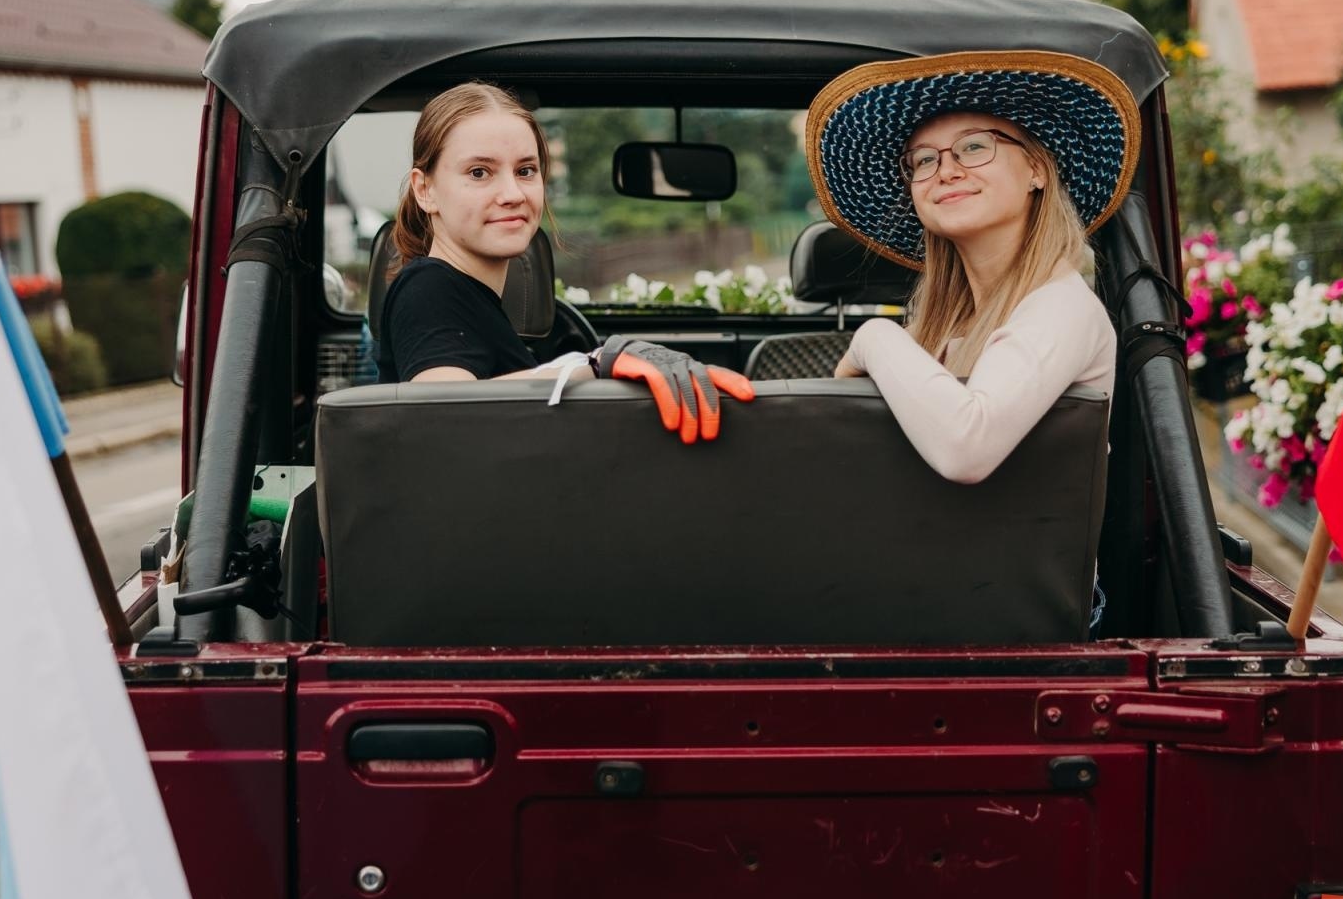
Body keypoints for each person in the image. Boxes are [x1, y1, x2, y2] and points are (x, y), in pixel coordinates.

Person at [805, 51, 1141, 634]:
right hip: (939, 595)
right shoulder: (939, 331)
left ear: (1037, 169)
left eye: (975, 147)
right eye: (924, 160)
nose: (947, 170)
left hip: (1027, 630)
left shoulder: (1061, 305)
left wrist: (873, 336)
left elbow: (966, 444)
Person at [377, 81, 754, 443]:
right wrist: (592, 364)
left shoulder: (471, 301)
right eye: (479, 173)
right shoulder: (428, 288)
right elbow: (438, 414)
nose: (512, 193)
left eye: (525, 170)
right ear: (425, 190)